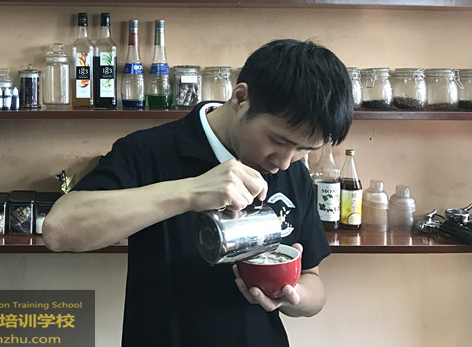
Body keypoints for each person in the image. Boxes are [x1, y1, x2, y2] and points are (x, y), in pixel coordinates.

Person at [43, 39, 354, 347]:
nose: (284, 161)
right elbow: (59, 230)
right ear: (241, 97)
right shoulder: (147, 151)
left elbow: (313, 281)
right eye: (279, 140)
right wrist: (191, 191)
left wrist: (293, 297)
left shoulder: (294, 172)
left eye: (304, 149)